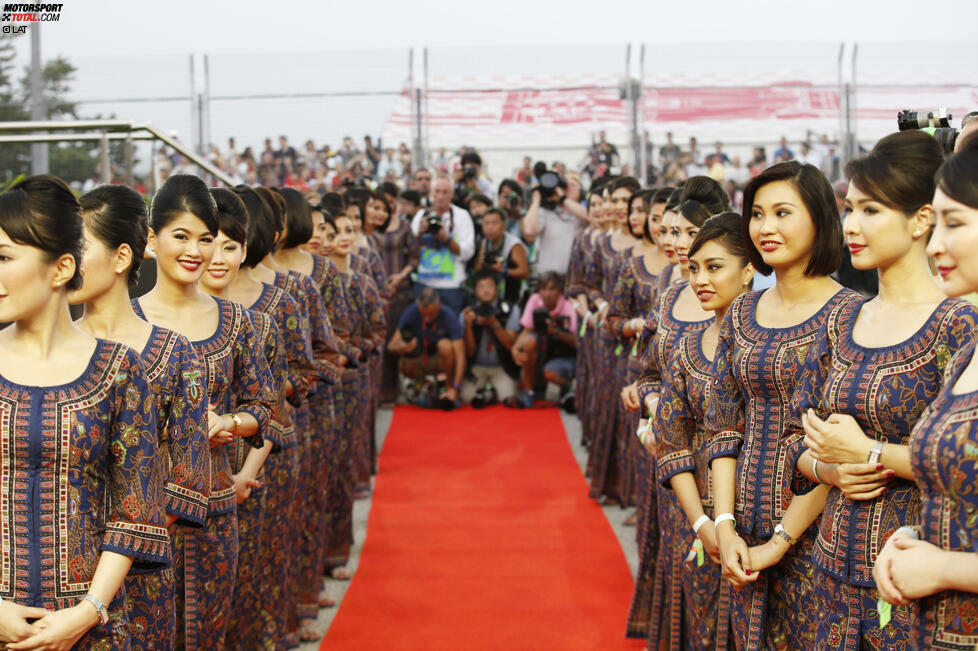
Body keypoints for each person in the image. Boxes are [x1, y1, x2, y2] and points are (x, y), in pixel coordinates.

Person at [782, 130, 978, 648]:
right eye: (849, 209)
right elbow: (794, 438)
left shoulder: (958, 324)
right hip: (828, 569)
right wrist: (830, 468)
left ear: (921, 219)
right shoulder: (844, 316)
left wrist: (870, 452)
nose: (851, 225)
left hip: (915, 577)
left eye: (871, 211)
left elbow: (959, 462)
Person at [0, 175, 169, 649]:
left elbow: (135, 508)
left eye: (4, 257)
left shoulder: (120, 370)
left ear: (60, 268)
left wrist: (86, 611)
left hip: (95, 625)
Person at [705, 161, 858, 649]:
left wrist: (779, 542)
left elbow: (833, 448)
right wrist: (724, 525)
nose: (765, 227)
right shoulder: (742, 312)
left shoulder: (851, 315)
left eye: (782, 212)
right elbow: (724, 427)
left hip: (817, 530)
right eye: (756, 214)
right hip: (742, 525)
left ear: (819, 218)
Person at [133, 175, 277, 649]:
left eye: (207, 239)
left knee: (207, 636)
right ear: (151, 241)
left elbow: (265, 407)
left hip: (214, 513)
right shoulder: (122, 321)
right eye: (182, 236)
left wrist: (229, 423)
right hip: (137, 521)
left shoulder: (235, 321)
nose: (197, 251)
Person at [68, 184, 210, 650]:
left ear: (121, 256)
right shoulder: (50, 354)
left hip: (139, 578)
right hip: (51, 577)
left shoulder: (175, 355)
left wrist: (115, 549)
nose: (64, 260)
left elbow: (188, 479)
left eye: (78, 246)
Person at [872, 137, 978, 651]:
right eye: (935, 224)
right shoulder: (967, 353)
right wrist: (916, 538)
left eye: (955, 223)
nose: (935, 245)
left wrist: (943, 567)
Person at [627, 178, 727, 641]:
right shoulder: (668, 298)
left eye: (690, 232)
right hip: (672, 461)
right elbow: (646, 370)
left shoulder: (744, 305)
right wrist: (652, 402)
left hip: (725, 473)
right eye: (671, 232)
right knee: (679, 570)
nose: (677, 243)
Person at [656, 211, 755, 650]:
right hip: (699, 516)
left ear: (749, 271)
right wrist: (702, 523)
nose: (700, 279)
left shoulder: (767, 347)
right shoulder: (685, 349)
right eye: (695, 268)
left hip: (761, 520)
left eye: (715, 267)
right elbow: (671, 443)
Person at [388, 287, 465, 408]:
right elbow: (391, 346)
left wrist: (456, 387)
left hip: (439, 361)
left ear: (439, 305)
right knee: (405, 359)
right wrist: (402, 347)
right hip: (418, 359)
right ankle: (423, 386)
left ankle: (447, 388)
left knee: (445, 346)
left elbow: (461, 357)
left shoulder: (449, 316)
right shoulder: (411, 312)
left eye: (431, 314)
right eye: (423, 314)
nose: (427, 318)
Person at [510, 271, 578, 408]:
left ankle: (570, 386)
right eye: (543, 288)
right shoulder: (535, 300)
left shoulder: (568, 305)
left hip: (564, 354)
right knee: (528, 342)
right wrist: (515, 349)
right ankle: (529, 392)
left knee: (550, 373)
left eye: (552, 288)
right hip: (542, 352)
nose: (547, 293)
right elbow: (527, 330)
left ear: (559, 290)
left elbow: (577, 342)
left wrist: (557, 333)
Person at [410, 175, 475, 313]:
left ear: (452, 194)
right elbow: (410, 249)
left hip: (451, 285)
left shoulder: (462, 216)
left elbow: (468, 253)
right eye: (437, 191)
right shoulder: (421, 215)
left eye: (445, 192)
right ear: (431, 193)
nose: (440, 196)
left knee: (450, 329)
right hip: (424, 283)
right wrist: (420, 233)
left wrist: (446, 239)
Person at [459, 270, 522, 406]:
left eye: (489, 286)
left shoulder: (510, 309)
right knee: (467, 398)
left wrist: (494, 324)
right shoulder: (468, 312)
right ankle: (489, 392)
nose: (486, 290)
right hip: (477, 366)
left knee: (507, 398)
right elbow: (469, 352)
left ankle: (490, 392)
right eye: (481, 287)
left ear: (497, 289)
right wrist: (468, 326)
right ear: (475, 291)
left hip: (502, 367)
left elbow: (510, 345)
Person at [522, 173, 588, 275]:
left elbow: (590, 217)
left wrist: (563, 199)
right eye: (566, 184)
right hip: (549, 280)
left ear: (582, 192)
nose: (568, 187)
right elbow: (529, 229)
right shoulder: (547, 213)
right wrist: (536, 199)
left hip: (576, 280)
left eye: (573, 185)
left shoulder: (583, 216)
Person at [472, 208, 529, 305]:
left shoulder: (514, 245)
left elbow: (525, 273)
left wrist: (504, 270)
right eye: (486, 223)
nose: (490, 227)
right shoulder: (484, 242)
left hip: (511, 294)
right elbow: (477, 270)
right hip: (490, 295)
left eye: (494, 223)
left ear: (503, 226)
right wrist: (481, 262)